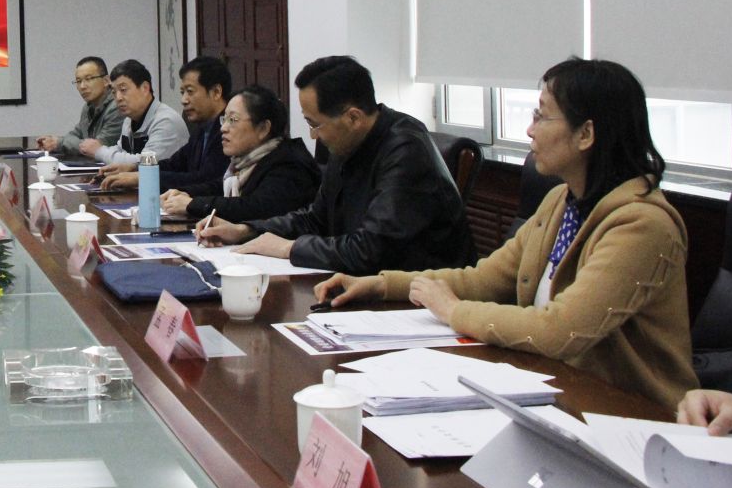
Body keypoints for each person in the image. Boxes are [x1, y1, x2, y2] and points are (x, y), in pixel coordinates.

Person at [314, 58, 696, 412]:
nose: (529, 129)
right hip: (556, 391)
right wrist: (382, 285)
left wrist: (454, 312)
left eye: (541, 116)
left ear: (586, 134)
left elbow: (560, 329)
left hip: (631, 415)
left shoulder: (641, 225)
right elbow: (483, 279)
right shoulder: (561, 202)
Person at [198, 55, 474, 273]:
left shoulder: (406, 151)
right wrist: (246, 230)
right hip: (366, 285)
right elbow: (315, 219)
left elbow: (371, 250)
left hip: (419, 297)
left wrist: (289, 249)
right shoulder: (347, 142)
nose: (312, 135)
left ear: (353, 117)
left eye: (314, 124)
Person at [155, 84, 321, 225]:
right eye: (224, 119)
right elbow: (218, 187)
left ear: (263, 128)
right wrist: (183, 193)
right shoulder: (245, 163)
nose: (223, 128)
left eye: (233, 120)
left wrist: (193, 204)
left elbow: (254, 208)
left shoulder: (290, 164)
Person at [100, 56, 230, 192]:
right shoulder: (202, 129)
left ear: (216, 92)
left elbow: (205, 179)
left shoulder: (228, 131)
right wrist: (135, 168)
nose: (184, 100)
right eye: (182, 92)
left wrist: (144, 177)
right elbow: (174, 164)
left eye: (190, 92)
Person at [79, 59, 186, 165]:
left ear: (145, 88)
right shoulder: (129, 121)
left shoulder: (166, 121)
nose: (118, 98)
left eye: (123, 90)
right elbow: (121, 151)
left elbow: (146, 164)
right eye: (114, 92)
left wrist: (99, 151)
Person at [36, 56, 123, 158]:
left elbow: (98, 147)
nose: (82, 86)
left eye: (88, 79)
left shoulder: (117, 107)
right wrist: (54, 141)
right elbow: (73, 135)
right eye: (78, 81)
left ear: (106, 81)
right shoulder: (88, 107)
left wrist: (58, 143)